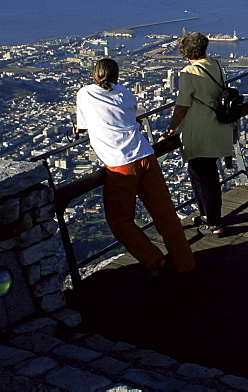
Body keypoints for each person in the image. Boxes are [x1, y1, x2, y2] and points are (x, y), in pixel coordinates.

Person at [75, 58, 195, 278]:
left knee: (120, 220)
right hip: (146, 156)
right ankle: (185, 262)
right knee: (165, 215)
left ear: (94, 75)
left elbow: (83, 126)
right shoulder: (125, 94)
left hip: (120, 165)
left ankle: (154, 260)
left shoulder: (85, 94)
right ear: (116, 76)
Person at [164, 32, 234, 238]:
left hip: (200, 132)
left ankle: (213, 223)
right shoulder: (215, 64)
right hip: (218, 126)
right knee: (203, 175)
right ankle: (206, 214)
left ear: (185, 52)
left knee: (205, 179)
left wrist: (170, 129)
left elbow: (182, 105)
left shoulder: (189, 72)